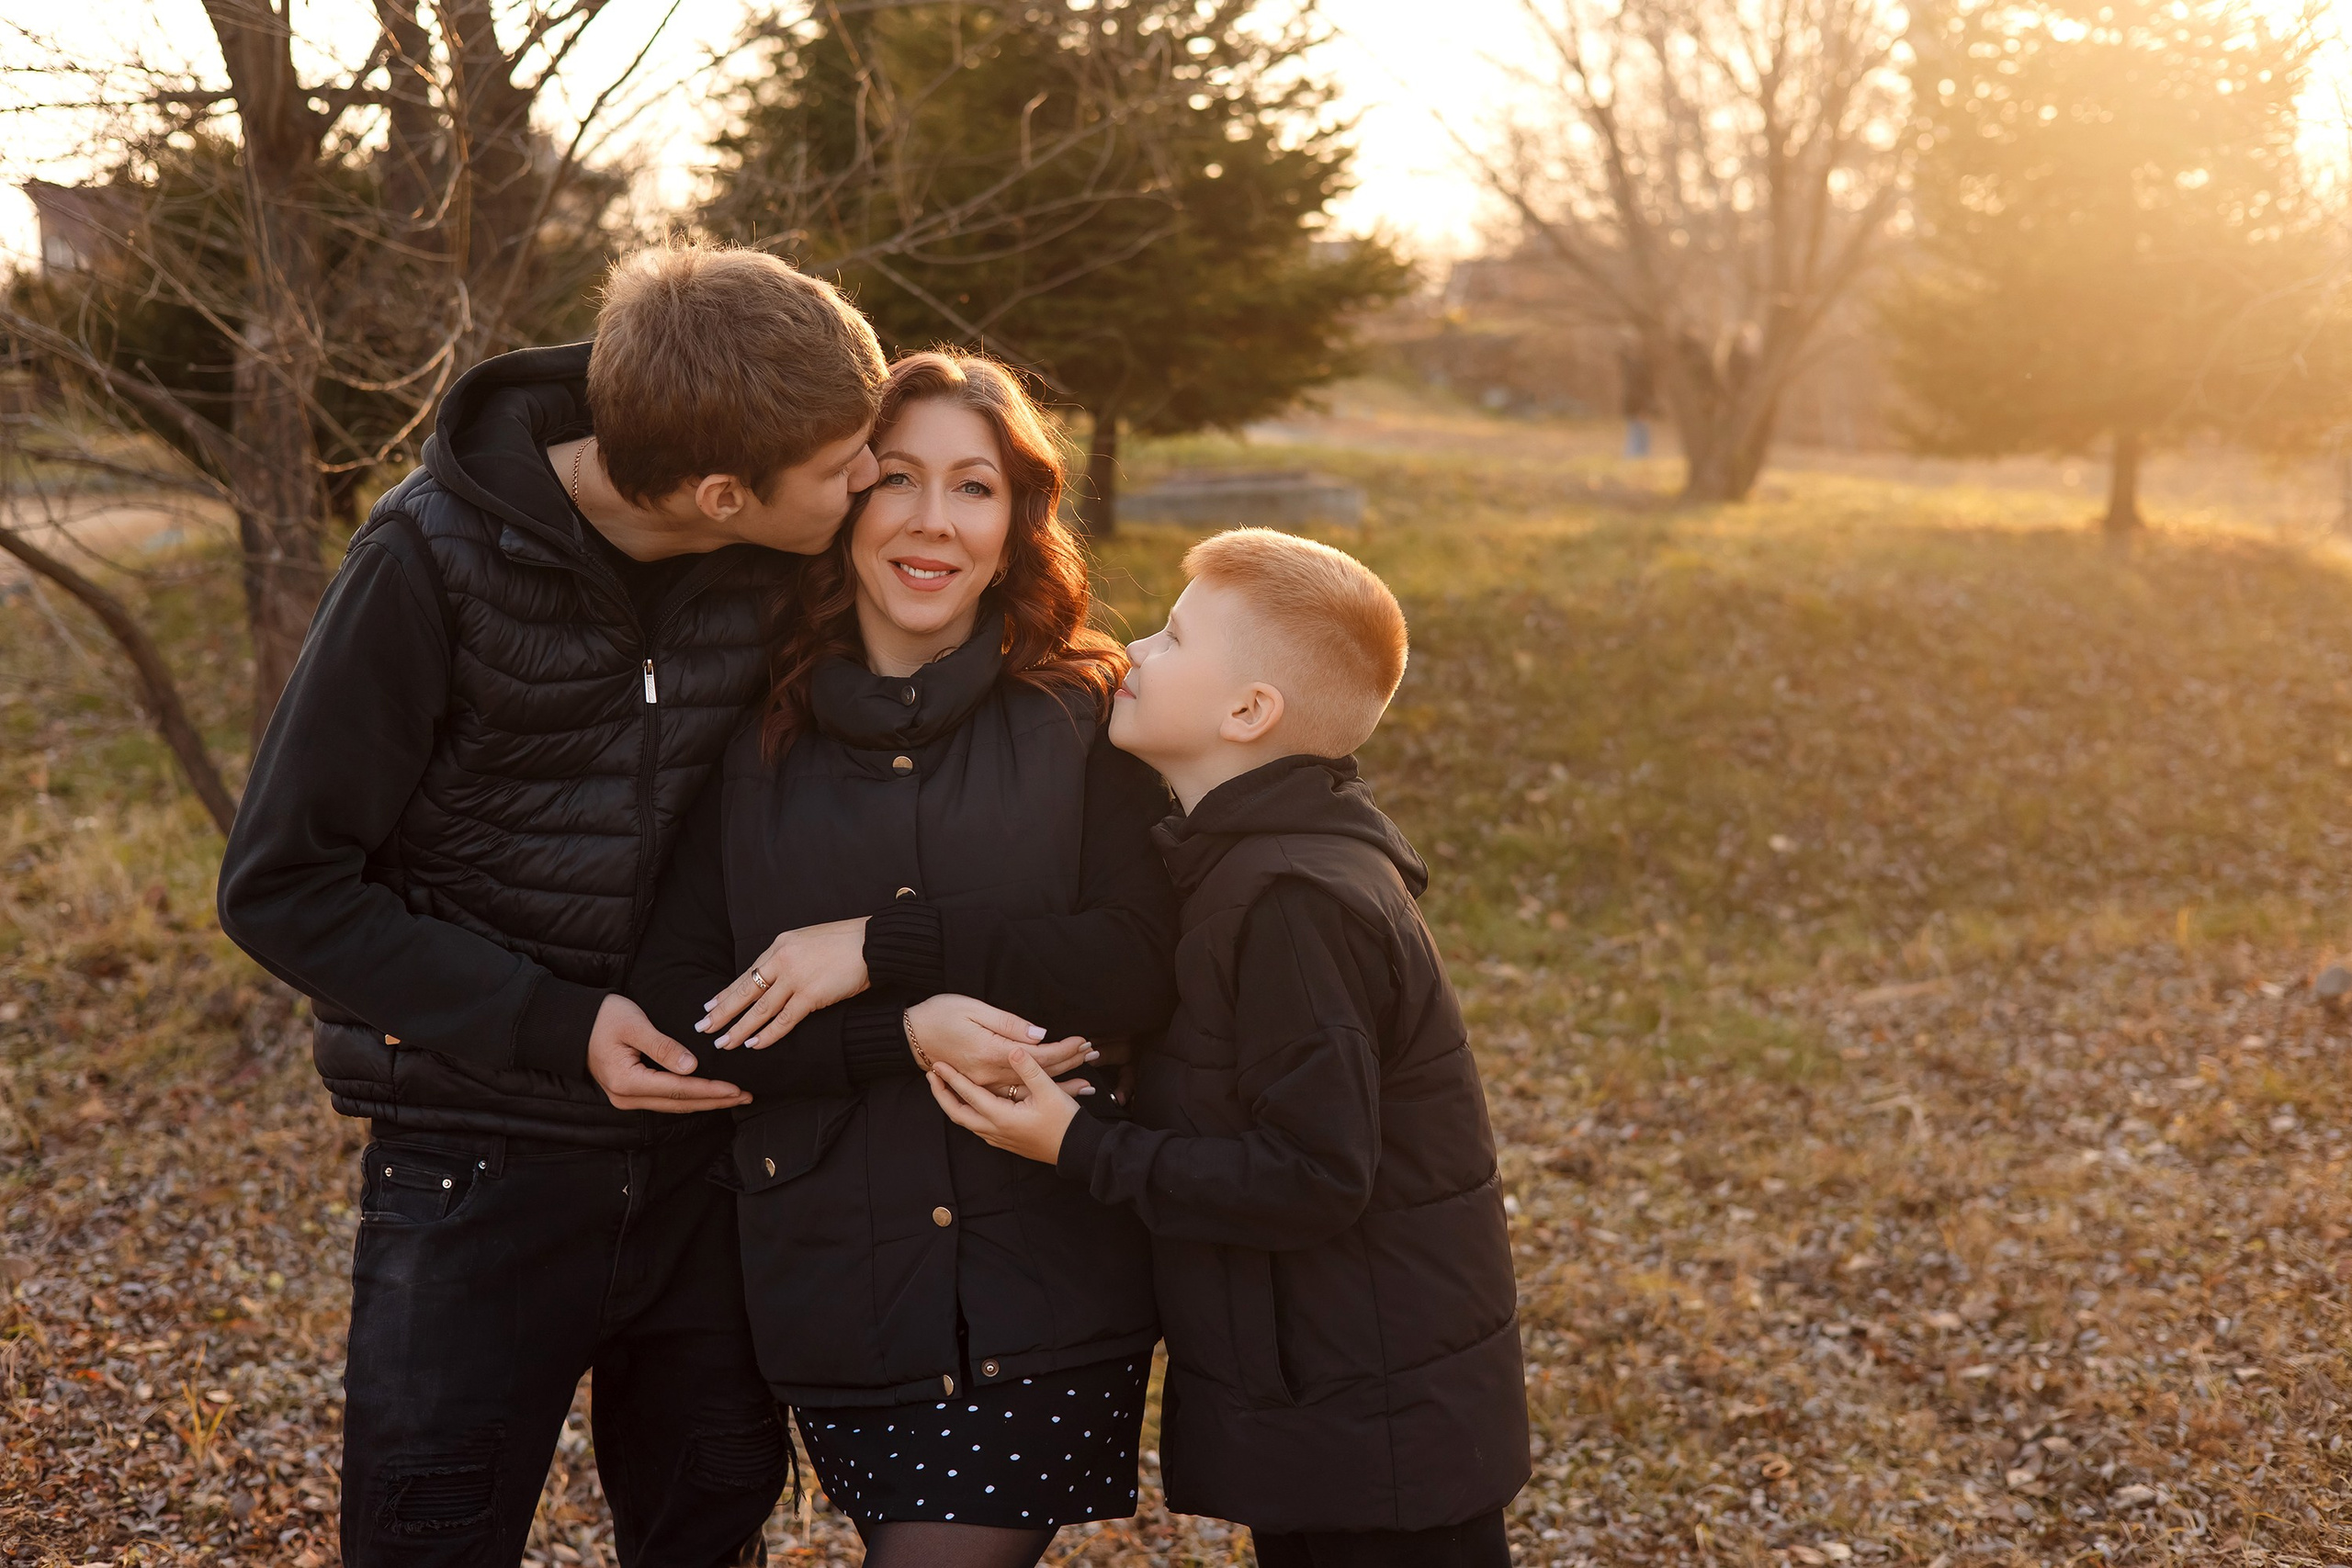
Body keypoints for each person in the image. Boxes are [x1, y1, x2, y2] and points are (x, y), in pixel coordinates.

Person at [216, 243, 888, 1566]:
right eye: (846, 465)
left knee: (707, 1534)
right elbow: (282, 886)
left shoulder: (780, 550)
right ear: (719, 492)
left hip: (706, 1160)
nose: (868, 480)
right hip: (479, 1162)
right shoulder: (425, 564)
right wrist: (552, 1020)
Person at [625, 351, 1178, 1568]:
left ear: (1017, 519)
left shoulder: (1090, 713)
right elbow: (685, 1014)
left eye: (974, 487)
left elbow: (1139, 962)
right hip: (834, 1276)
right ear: (845, 503)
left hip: (1044, 1282)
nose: (934, 520)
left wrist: (878, 953)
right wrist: (906, 1030)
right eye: (899, 480)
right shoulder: (749, 735)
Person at [932, 528, 1532, 1567]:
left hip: (1373, 1427)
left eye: (1171, 639)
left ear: (1248, 713)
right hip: (1341, 1400)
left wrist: (1079, 1147)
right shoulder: (1247, 870)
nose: (1132, 653)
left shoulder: (1294, 900)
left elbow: (1313, 1174)